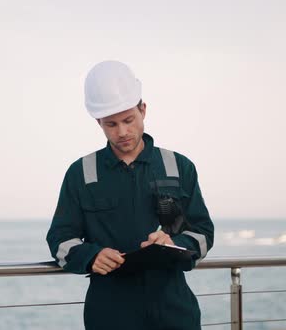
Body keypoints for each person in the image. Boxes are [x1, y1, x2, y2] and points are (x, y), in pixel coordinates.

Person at [46, 60, 214, 330]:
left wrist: (173, 243)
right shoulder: (82, 173)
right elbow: (59, 240)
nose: (122, 132)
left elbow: (203, 234)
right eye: (111, 124)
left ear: (143, 110)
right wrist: (91, 256)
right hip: (110, 313)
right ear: (98, 121)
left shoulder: (178, 166)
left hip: (173, 309)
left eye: (128, 120)